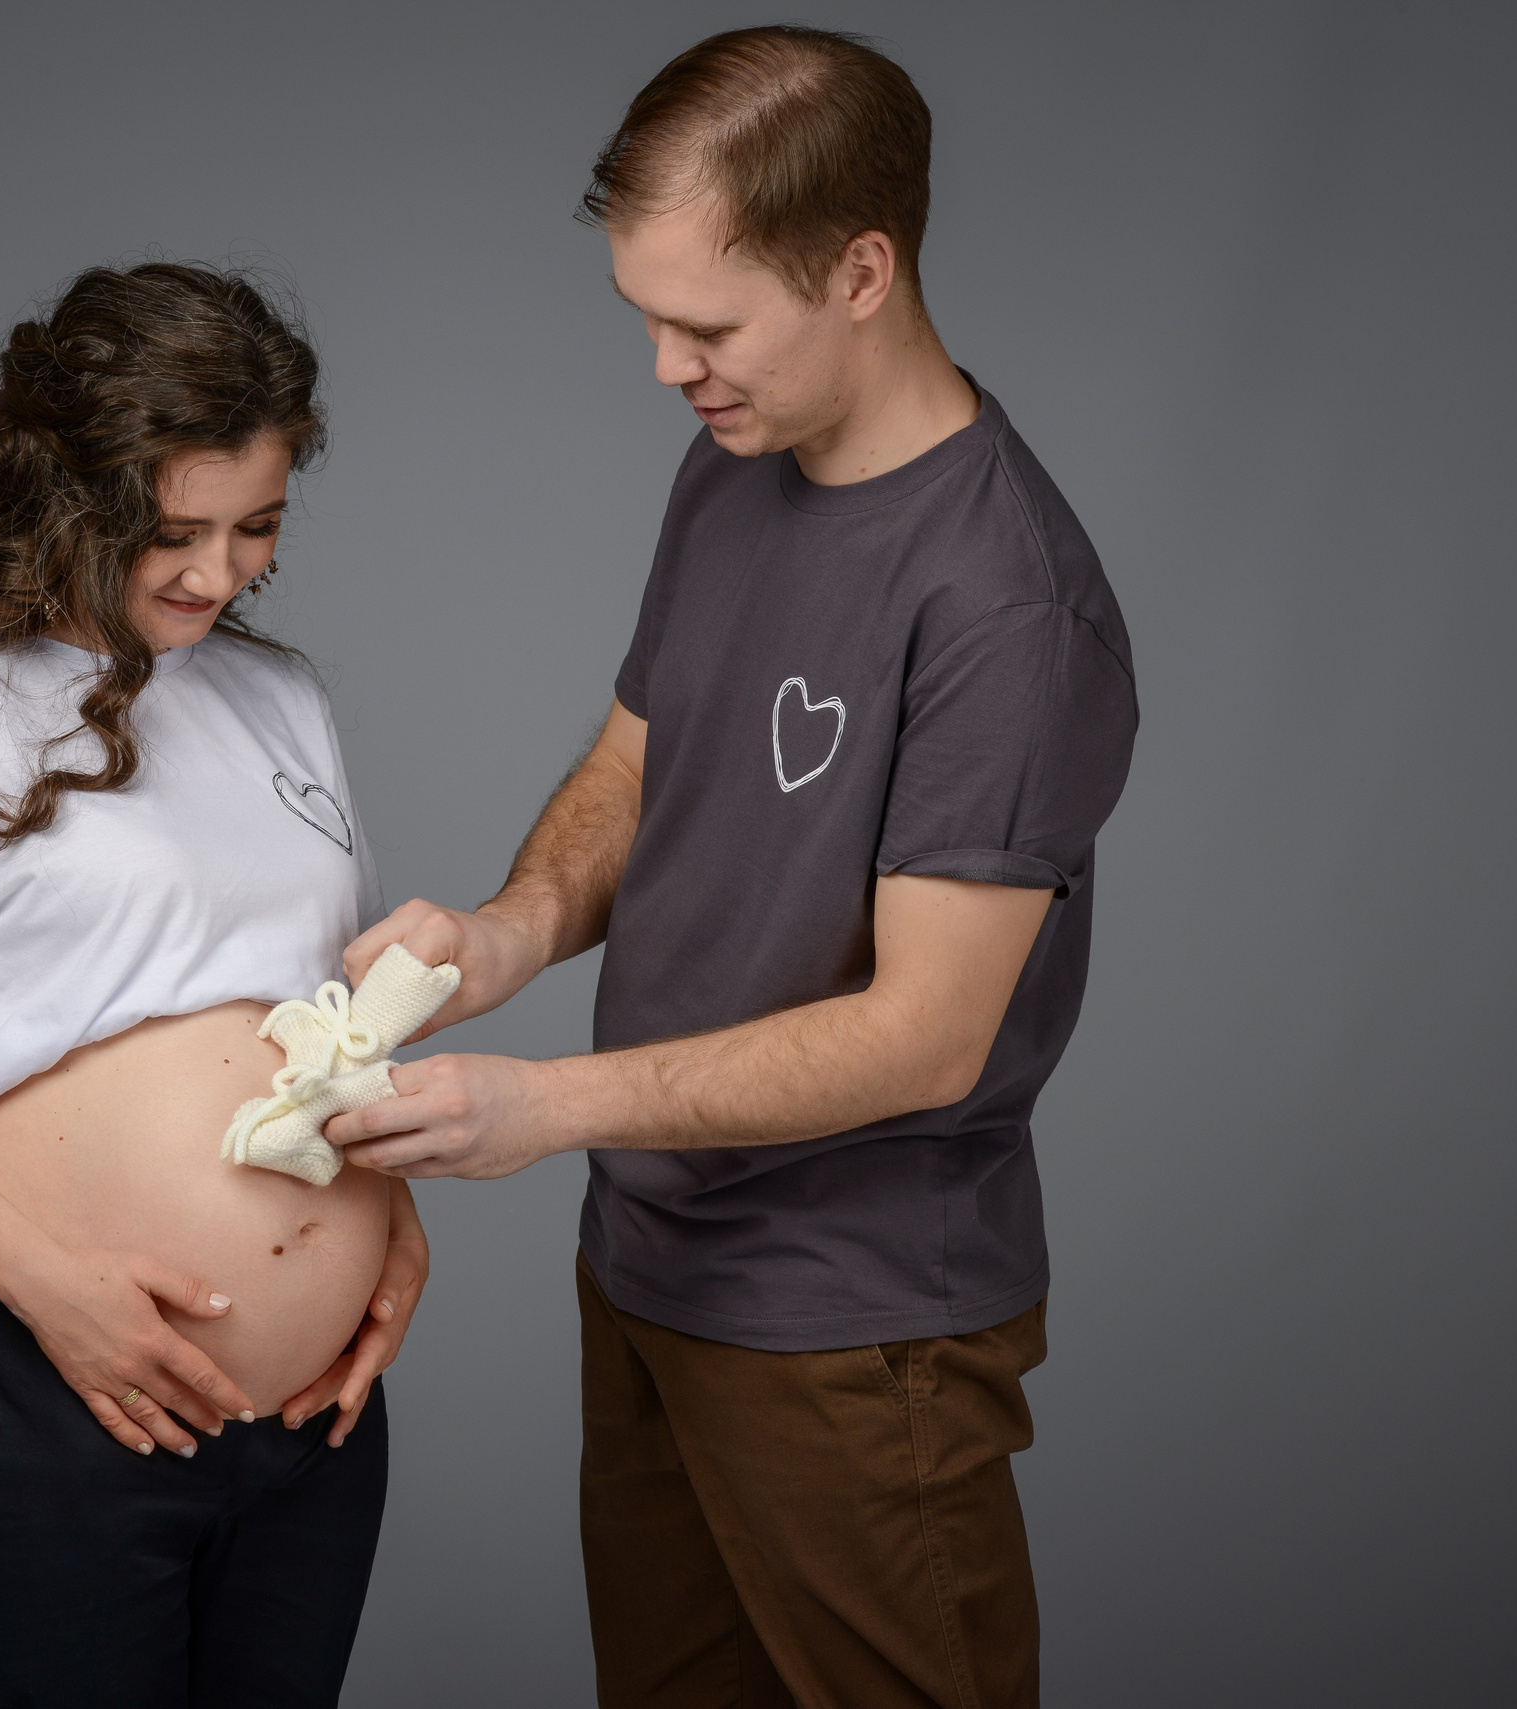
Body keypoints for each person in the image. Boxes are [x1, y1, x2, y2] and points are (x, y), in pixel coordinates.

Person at [324, 28, 1137, 1709]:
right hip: (645, 1268)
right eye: (645, 318)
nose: (665, 368)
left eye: (705, 324)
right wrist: (503, 934)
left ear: (862, 268)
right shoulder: (733, 464)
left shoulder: (1007, 602)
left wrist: (543, 1108)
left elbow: (924, 1034)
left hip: (853, 1331)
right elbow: (639, 760)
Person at [0, 263, 425, 1708]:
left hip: (306, 1431)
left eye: (258, 527)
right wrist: (56, 1293)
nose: (217, 570)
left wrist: (388, 1229)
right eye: (171, 531)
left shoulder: (279, 695)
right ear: (69, 491)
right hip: (43, 1385)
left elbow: (313, 1025)